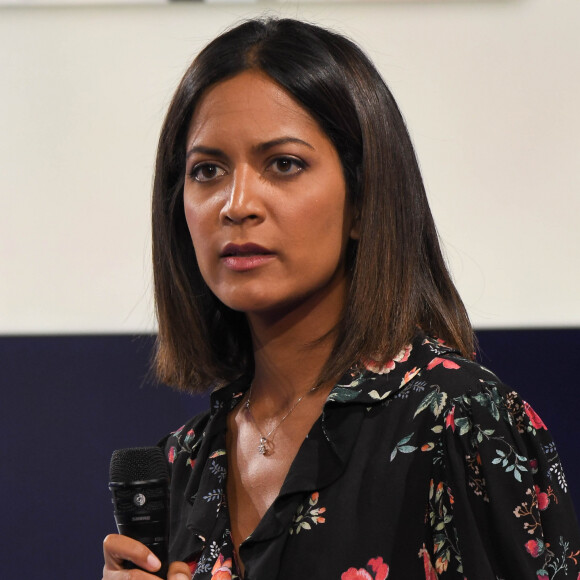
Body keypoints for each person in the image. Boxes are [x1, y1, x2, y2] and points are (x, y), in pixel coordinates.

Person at [102, 17, 580, 580]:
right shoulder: (183, 461)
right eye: (207, 171)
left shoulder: (460, 422)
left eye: (283, 164)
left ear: (362, 199)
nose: (236, 204)